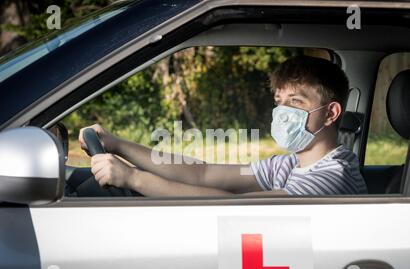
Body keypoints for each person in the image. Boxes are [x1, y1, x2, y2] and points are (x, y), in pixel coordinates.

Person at [79, 55, 367, 196]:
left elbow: (233, 205)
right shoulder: (290, 164)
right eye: (280, 101)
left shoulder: (330, 178)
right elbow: (202, 173)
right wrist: (117, 144)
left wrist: (133, 180)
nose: (282, 112)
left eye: (295, 102)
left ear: (330, 114)